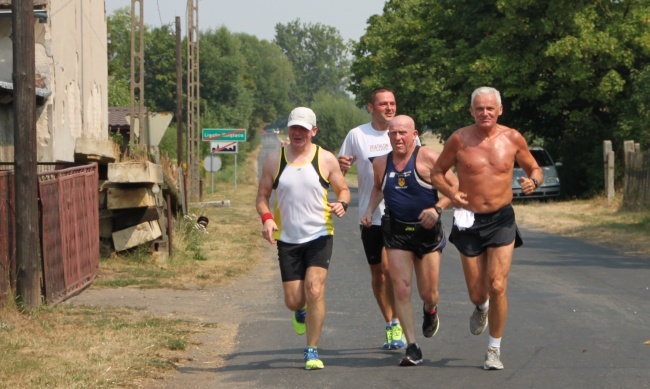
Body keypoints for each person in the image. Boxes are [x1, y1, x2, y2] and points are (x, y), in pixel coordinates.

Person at [431, 87, 543, 370]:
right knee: (478, 293)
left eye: (490, 108)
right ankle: (481, 308)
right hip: (468, 219)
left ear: (500, 110)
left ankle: (494, 349)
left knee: (497, 285)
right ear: (472, 111)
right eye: (479, 108)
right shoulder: (459, 139)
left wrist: (534, 182)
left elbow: (535, 169)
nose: (485, 113)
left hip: (501, 219)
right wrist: (451, 194)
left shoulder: (512, 138)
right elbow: (436, 173)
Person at [256, 107, 351, 370]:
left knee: (315, 289)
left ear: (313, 131)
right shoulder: (275, 160)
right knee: (294, 300)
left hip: (320, 234)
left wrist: (342, 202)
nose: (298, 133)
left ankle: (312, 350)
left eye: (303, 129)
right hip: (287, 239)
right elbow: (262, 196)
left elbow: (343, 189)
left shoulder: (326, 159)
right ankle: (300, 311)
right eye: (294, 128)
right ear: (289, 130)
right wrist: (267, 219)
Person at [362, 115, 458, 366]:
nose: (397, 137)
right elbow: (378, 187)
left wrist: (437, 209)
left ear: (414, 134)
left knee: (429, 292)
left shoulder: (427, 157)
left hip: (427, 233)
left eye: (403, 132)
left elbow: (454, 186)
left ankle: (430, 309)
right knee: (401, 288)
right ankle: (412, 346)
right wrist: (369, 210)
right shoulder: (381, 162)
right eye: (393, 133)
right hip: (396, 232)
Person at [338, 87, 408, 349]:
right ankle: (391, 324)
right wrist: (341, 166)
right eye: (383, 104)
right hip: (370, 215)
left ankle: (402, 322)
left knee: (392, 270)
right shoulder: (357, 135)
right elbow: (339, 168)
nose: (389, 108)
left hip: (400, 214)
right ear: (371, 107)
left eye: (392, 103)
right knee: (378, 274)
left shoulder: (404, 131)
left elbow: (419, 165)